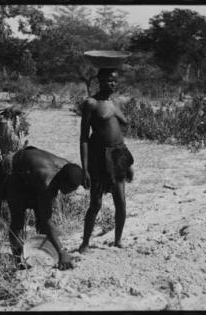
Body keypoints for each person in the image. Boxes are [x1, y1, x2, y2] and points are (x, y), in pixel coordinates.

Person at [0, 146, 83, 270]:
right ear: (62, 182)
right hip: (15, 173)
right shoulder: (47, 183)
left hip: (31, 172)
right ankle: (19, 260)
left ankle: (42, 253)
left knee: (40, 218)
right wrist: (62, 252)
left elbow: (78, 174)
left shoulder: (67, 167)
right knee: (18, 221)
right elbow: (47, 222)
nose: (69, 193)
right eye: (69, 189)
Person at [78, 68, 134, 253]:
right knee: (96, 203)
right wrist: (85, 168)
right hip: (99, 156)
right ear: (100, 80)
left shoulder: (115, 102)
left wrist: (127, 163)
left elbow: (120, 129)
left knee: (121, 201)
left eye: (115, 81)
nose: (113, 84)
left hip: (118, 154)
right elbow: (84, 138)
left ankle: (117, 241)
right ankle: (85, 243)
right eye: (110, 80)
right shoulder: (91, 103)